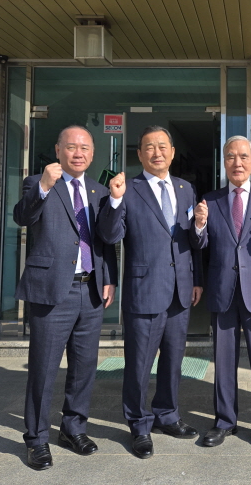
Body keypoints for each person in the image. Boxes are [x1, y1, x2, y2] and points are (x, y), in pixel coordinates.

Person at [13, 125, 117, 471]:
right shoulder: (38, 182)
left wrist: (109, 278)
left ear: (92, 153)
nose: (78, 153)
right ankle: (37, 439)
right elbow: (22, 216)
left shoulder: (100, 191)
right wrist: (43, 186)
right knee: (44, 368)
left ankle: (73, 429)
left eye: (85, 148)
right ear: (58, 150)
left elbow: (105, 240)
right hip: (51, 290)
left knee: (84, 367)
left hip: (90, 290)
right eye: (71, 147)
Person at [96, 126, 203, 459]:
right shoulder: (127, 189)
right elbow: (110, 236)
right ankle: (139, 425)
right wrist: (114, 200)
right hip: (144, 289)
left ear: (172, 152)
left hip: (180, 290)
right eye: (149, 147)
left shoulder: (186, 189)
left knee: (173, 360)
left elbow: (192, 242)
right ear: (140, 154)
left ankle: (167, 415)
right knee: (139, 364)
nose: (157, 152)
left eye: (162, 146)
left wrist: (197, 276)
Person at [191, 135, 251, 455]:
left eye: (243, 156)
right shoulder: (211, 199)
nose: (237, 162)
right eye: (231, 157)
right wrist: (199, 226)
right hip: (223, 289)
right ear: (224, 162)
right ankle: (224, 421)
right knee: (223, 361)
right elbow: (201, 246)